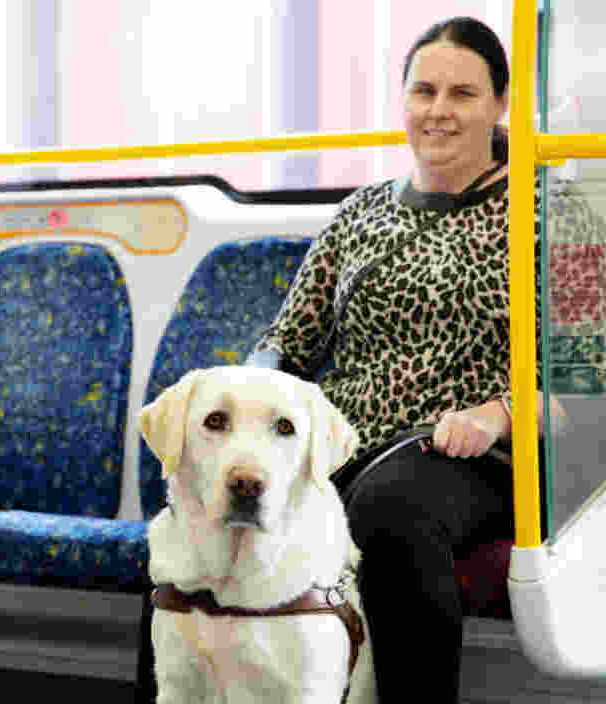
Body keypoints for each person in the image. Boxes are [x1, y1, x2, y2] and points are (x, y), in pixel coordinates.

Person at [245, 16, 573, 702]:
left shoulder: (555, 215)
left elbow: (591, 380)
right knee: (201, 511)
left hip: (477, 455)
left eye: (463, 93)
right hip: (344, 443)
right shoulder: (359, 212)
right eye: (424, 91)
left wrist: (497, 414)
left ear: (502, 104)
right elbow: (286, 343)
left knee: (391, 508)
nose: (439, 111)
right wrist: (250, 399)